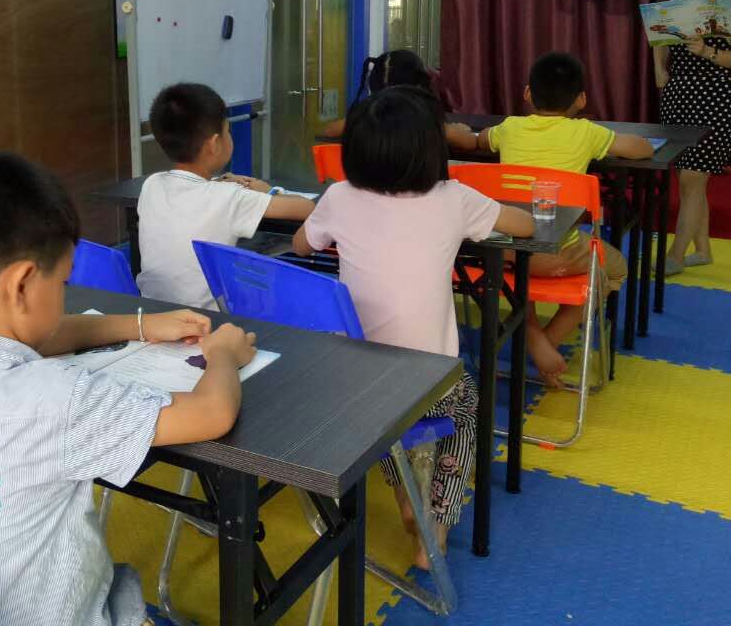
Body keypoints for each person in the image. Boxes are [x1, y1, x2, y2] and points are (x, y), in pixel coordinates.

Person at [0, 150, 256, 626]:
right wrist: (224, 354)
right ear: (22, 284)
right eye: (63, 283)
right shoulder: (54, 399)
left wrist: (141, 325)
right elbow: (212, 413)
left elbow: (38, 335)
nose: (64, 295)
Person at [291, 85, 533, 570]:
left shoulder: (339, 196)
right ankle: (433, 523)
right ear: (431, 150)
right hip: (426, 382)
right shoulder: (453, 198)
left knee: (382, 414)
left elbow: (301, 245)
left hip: (347, 382)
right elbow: (524, 226)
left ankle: (406, 492)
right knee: (467, 406)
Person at [475, 52, 651, 386]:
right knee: (614, 269)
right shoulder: (586, 132)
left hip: (501, 251)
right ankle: (546, 343)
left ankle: (533, 335)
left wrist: (458, 133)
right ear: (581, 99)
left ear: (528, 93)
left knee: (519, 273)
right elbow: (641, 149)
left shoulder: (509, 128)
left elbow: (478, 140)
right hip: (559, 253)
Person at [137, 82, 314, 308]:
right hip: (210, 320)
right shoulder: (230, 197)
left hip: (154, 313)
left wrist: (216, 184)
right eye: (227, 131)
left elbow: (193, 195)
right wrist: (265, 190)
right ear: (213, 144)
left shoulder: (152, 185)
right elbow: (307, 208)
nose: (230, 137)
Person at [654, 0, 731, 274]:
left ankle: (675, 255)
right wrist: (660, 71)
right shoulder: (672, 8)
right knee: (691, 180)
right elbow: (659, 44)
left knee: (693, 177)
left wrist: (707, 52)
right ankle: (703, 250)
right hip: (678, 96)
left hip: (716, 96)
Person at [321, 49, 476, 151]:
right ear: (418, 85)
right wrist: (460, 129)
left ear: (373, 84)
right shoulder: (423, 121)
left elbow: (329, 130)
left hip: (372, 186)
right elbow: (469, 142)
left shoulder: (365, 117)